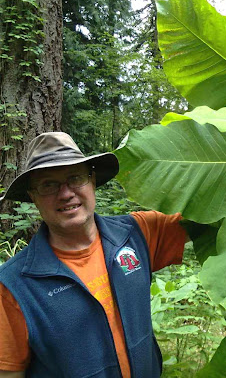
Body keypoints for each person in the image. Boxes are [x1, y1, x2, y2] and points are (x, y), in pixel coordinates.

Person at [0, 132, 187, 377]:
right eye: (49, 185)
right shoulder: (13, 286)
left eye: (75, 178)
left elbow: (214, 210)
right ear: (33, 197)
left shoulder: (137, 232)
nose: (66, 193)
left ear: (92, 181)